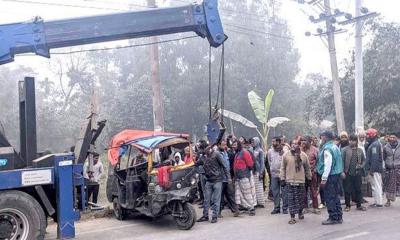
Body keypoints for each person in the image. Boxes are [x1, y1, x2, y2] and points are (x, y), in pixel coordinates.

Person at [280, 141, 311, 224]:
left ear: (299, 146)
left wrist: (309, 178)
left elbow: (307, 168)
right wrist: (282, 178)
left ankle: (300, 212)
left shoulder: (303, 156)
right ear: (290, 146)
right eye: (293, 144)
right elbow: (283, 168)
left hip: (301, 181)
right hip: (290, 181)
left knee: (301, 199)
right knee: (291, 200)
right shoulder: (286, 155)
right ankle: (292, 217)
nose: (294, 145)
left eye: (296, 144)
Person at [197, 145, 229, 223]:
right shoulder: (203, 157)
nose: (206, 152)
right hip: (209, 180)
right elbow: (196, 164)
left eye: (206, 150)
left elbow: (224, 165)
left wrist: (228, 178)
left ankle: (214, 216)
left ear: (209, 149)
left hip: (217, 180)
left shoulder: (216, 154)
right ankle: (205, 215)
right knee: (206, 199)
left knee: (216, 199)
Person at [317, 131, 343, 225]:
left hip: (330, 176)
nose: (321, 139)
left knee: (330, 197)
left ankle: (333, 217)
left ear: (325, 137)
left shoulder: (327, 148)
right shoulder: (335, 146)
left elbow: (328, 164)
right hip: (336, 175)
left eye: (322, 137)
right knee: (335, 196)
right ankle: (339, 216)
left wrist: (324, 179)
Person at [341, 134, 367, 212]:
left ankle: (359, 205)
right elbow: (342, 161)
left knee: (358, 189)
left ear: (356, 141)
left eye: (354, 140)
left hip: (357, 173)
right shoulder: (345, 150)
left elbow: (364, 160)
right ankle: (347, 205)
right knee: (347, 190)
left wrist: (361, 166)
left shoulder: (360, 150)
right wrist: (342, 171)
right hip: (347, 173)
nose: (352, 142)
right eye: (351, 140)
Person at [232, 140, 256, 216]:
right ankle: (242, 208)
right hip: (237, 177)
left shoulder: (245, 152)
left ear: (239, 145)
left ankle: (251, 208)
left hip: (244, 176)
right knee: (239, 194)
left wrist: (246, 173)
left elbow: (250, 164)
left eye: (235, 145)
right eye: (233, 145)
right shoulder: (237, 154)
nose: (233, 146)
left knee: (247, 193)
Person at [218, 140, 240, 217]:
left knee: (230, 194)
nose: (224, 146)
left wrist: (231, 176)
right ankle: (218, 212)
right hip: (220, 179)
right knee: (220, 197)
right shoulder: (217, 154)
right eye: (223, 145)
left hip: (227, 178)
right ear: (219, 145)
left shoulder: (226, 153)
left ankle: (235, 210)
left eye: (225, 145)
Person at [268, 136, 288, 214]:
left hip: (283, 175)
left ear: (279, 142)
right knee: (275, 192)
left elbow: (287, 162)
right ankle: (276, 208)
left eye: (274, 141)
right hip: (274, 175)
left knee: (284, 192)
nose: (273, 143)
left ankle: (285, 208)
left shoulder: (285, 151)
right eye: (272, 141)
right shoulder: (270, 151)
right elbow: (270, 161)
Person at [365, 128, 384, 208]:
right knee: (375, 186)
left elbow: (375, 158)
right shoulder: (375, 143)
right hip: (375, 168)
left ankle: (379, 203)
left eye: (368, 135)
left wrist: (372, 170)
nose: (367, 136)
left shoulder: (375, 145)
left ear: (372, 135)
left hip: (375, 169)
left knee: (377, 185)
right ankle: (377, 202)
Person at [300, 136, 320, 214]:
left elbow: (319, 161)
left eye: (305, 141)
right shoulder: (300, 150)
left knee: (313, 191)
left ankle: (315, 207)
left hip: (312, 174)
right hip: (302, 174)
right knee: (303, 191)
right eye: (302, 140)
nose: (303, 142)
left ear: (310, 141)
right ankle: (305, 207)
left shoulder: (315, 150)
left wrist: (315, 170)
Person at [383, 133, 400, 207]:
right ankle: (388, 201)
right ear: (389, 138)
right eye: (391, 137)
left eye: (394, 137)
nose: (392, 139)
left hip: (398, 167)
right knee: (389, 185)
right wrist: (387, 164)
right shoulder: (386, 147)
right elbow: (384, 157)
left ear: (396, 138)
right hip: (389, 168)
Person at [252, 137, 266, 208]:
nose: (253, 143)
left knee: (259, 188)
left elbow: (262, 163)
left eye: (254, 142)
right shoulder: (251, 150)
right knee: (254, 188)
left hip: (258, 171)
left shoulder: (260, 151)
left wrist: (261, 172)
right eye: (252, 142)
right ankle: (255, 202)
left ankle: (261, 203)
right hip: (252, 171)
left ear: (257, 142)